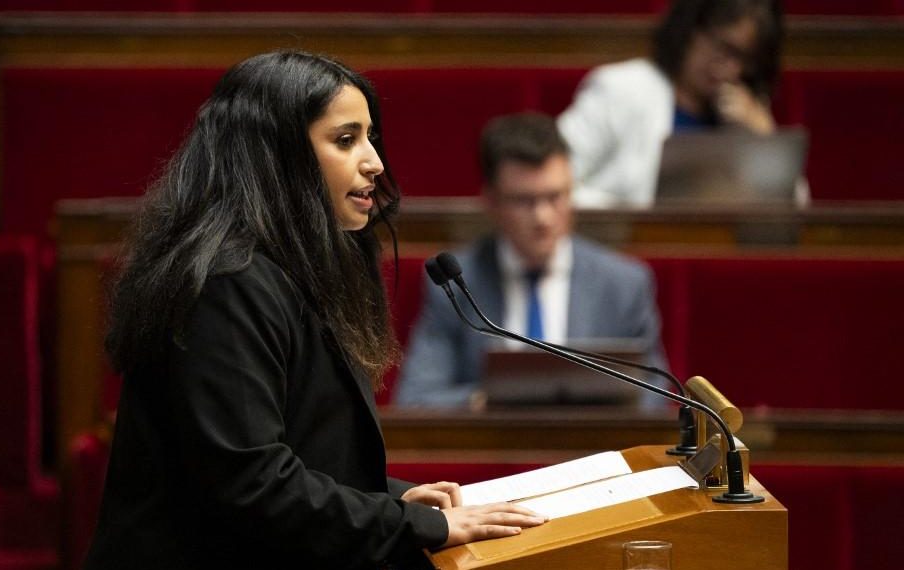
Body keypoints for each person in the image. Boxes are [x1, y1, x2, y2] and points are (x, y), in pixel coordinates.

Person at [83, 51, 546, 570]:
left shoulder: (298, 266)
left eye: (370, 137)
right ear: (277, 157)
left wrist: (389, 502)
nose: (374, 161)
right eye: (346, 140)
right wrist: (413, 525)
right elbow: (250, 482)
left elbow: (305, 453)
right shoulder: (225, 283)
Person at [394, 113, 667, 409]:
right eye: (524, 201)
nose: (543, 217)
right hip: (496, 449)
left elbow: (653, 398)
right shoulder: (456, 284)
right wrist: (486, 401)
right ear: (491, 202)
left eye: (555, 197)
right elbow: (416, 399)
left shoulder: (623, 284)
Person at [558, 0, 785, 208]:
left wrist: (766, 139)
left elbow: (792, 216)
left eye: (743, 58)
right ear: (689, 32)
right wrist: (631, 216)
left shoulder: (746, 118)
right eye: (721, 46)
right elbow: (547, 178)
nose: (730, 67)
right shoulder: (621, 90)